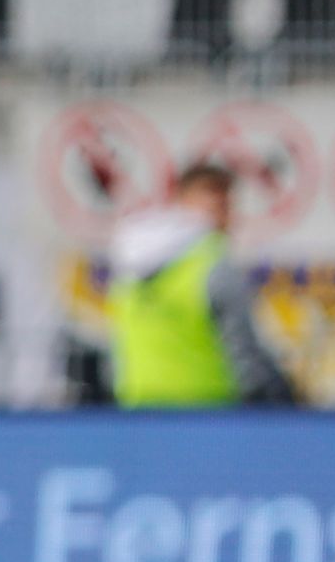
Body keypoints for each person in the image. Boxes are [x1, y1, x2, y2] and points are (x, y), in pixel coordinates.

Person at [108, 158, 297, 405]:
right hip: (208, 416)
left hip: (139, 414)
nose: (226, 214)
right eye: (222, 205)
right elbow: (246, 355)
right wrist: (282, 398)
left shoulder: (127, 259)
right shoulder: (213, 264)